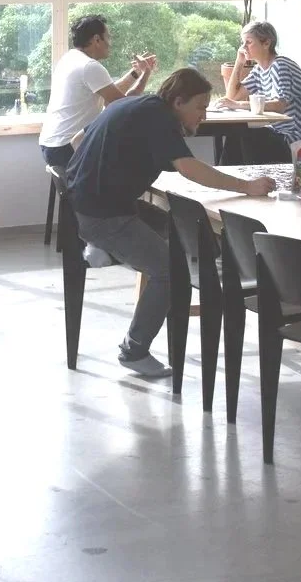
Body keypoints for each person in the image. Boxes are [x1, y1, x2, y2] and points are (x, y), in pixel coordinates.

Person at [65, 68, 275, 378]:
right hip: (103, 216)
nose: (203, 115)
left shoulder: (133, 104)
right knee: (170, 272)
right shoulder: (160, 119)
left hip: (81, 204)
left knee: (175, 224)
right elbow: (188, 168)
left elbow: (77, 140)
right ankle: (133, 351)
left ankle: (107, 249)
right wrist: (247, 187)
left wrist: (107, 168)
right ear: (178, 102)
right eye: (200, 107)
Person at [39, 15, 157, 166]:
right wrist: (146, 72)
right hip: (67, 148)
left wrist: (136, 72)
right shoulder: (90, 67)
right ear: (96, 40)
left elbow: (110, 92)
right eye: (108, 37)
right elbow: (123, 106)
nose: (110, 43)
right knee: (132, 163)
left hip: (51, 145)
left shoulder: (70, 58)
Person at [223, 20, 301, 146]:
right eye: (242, 42)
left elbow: (279, 105)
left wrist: (238, 105)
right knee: (235, 134)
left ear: (266, 43)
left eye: (248, 42)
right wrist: (239, 63)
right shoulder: (259, 70)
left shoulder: (280, 66)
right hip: (283, 133)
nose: (243, 47)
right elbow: (231, 97)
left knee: (244, 134)